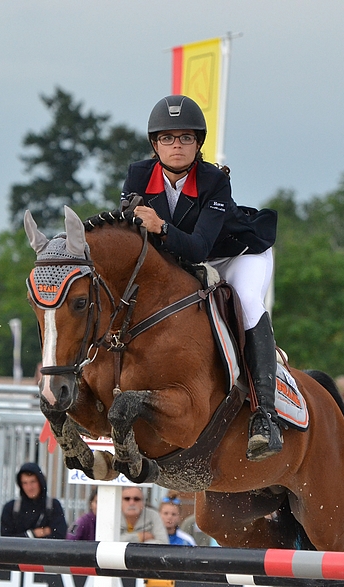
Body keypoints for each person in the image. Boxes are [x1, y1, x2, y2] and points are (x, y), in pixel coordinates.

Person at [121, 95, 280, 462]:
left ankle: (265, 416)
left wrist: (159, 224)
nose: (177, 146)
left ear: (198, 144)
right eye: (168, 138)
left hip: (237, 254)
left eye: (185, 138)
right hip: (187, 257)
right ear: (154, 144)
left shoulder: (213, 180)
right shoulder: (138, 175)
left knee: (247, 302)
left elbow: (198, 247)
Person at [0, 462, 67, 539]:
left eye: (33, 482)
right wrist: (34, 534)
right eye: (25, 483)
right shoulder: (11, 508)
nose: (29, 487)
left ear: (40, 482)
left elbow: (60, 536)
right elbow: (7, 541)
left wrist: (23, 537)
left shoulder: (53, 505)